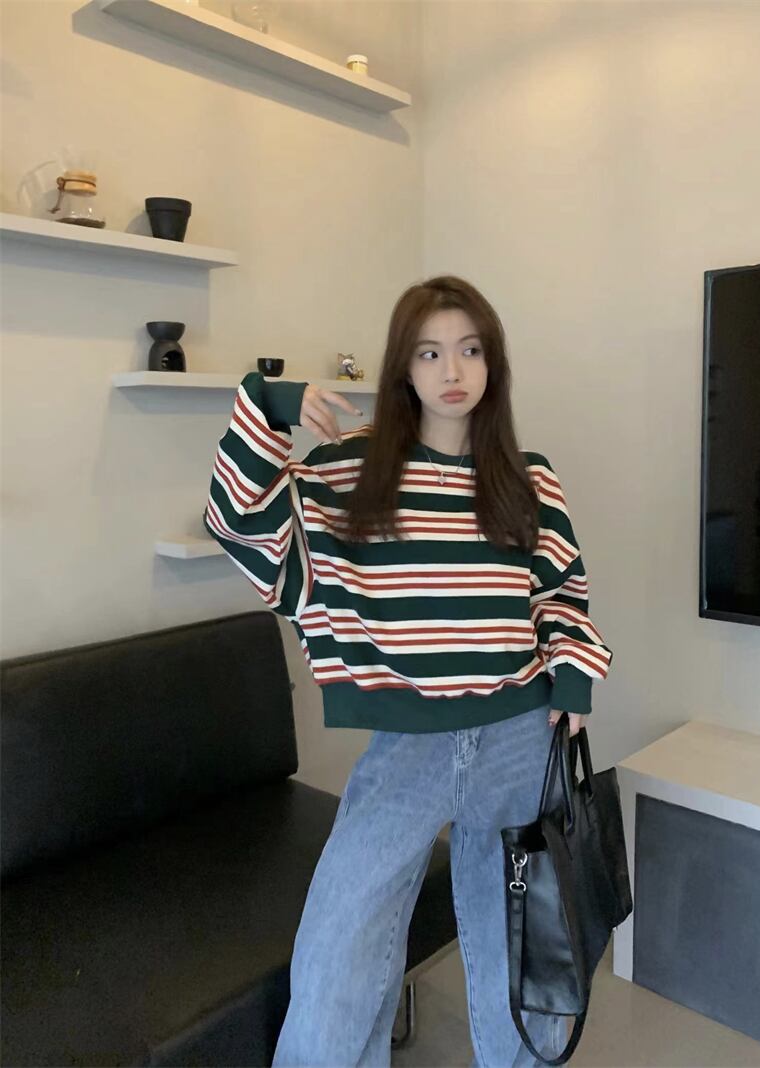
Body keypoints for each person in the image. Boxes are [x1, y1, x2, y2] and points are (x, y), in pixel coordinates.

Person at [202, 275, 614, 1067]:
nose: (451, 370)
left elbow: (560, 594)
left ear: (492, 363)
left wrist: (573, 677)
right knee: (339, 947)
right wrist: (273, 405)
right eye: (429, 352)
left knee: (521, 950)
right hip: (407, 751)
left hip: (518, 739)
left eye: (469, 350)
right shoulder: (355, 472)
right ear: (404, 367)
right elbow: (241, 522)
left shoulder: (530, 478)